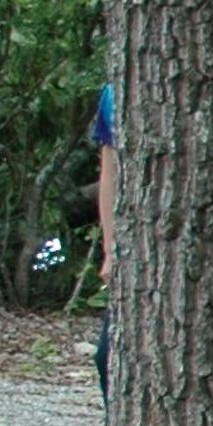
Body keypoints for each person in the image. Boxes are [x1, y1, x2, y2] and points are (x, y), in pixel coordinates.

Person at [89, 83, 115, 402]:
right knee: (106, 357)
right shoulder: (114, 93)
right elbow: (110, 173)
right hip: (135, 252)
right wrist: (110, 249)